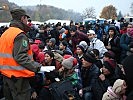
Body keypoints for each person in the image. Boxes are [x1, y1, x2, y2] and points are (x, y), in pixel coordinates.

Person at [0, 8, 41, 100]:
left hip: (6, 76)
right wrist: (36, 66)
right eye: (27, 19)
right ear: (22, 18)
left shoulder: (5, 33)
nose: (27, 21)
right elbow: (20, 57)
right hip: (18, 79)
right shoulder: (20, 35)